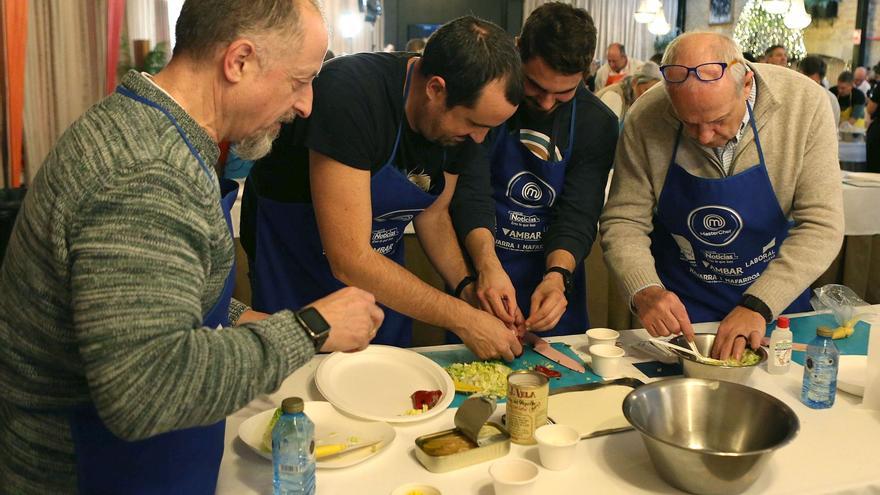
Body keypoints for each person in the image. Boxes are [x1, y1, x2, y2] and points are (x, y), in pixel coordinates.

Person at [0, 1, 386, 493]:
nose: (306, 104)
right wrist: (310, 329)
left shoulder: (150, 128)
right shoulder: (148, 176)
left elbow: (153, 300)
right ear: (239, 61)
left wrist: (241, 315)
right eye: (299, 81)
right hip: (94, 471)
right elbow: (145, 390)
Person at [241, 16, 525, 360]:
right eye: (474, 124)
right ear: (435, 89)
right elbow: (350, 259)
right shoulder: (352, 94)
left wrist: (469, 291)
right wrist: (464, 320)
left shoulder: (461, 128)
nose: (479, 140)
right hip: (297, 266)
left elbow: (433, 216)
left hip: (380, 276)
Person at [601, 32, 843, 361]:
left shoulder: (804, 105)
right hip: (684, 313)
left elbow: (822, 225)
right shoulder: (646, 116)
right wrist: (645, 288)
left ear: (746, 84)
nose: (703, 136)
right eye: (688, 123)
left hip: (775, 304)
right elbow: (623, 219)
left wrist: (758, 304)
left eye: (717, 121)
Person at [450, 3, 618, 336]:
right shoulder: (486, 98)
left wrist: (557, 278)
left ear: (585, 74)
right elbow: (471, 190)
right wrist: (487, 266)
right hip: (481, 266)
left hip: (553, 277)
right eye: (535, 86)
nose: (545, 102)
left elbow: (578, 212)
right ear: (517, 51)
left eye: (563, 92)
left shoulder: (597, 123)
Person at [596, 61, 662, 124]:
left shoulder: (631, 99)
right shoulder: (614, 97)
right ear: (634, 82)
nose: (649, 98)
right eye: (646, 90)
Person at [799, 55, 841, 125]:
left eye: (814, 83)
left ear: (821, 79)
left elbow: (832, 127)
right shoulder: (792, 95)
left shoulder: (830, 99)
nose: (810, 87)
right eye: (806, 81)